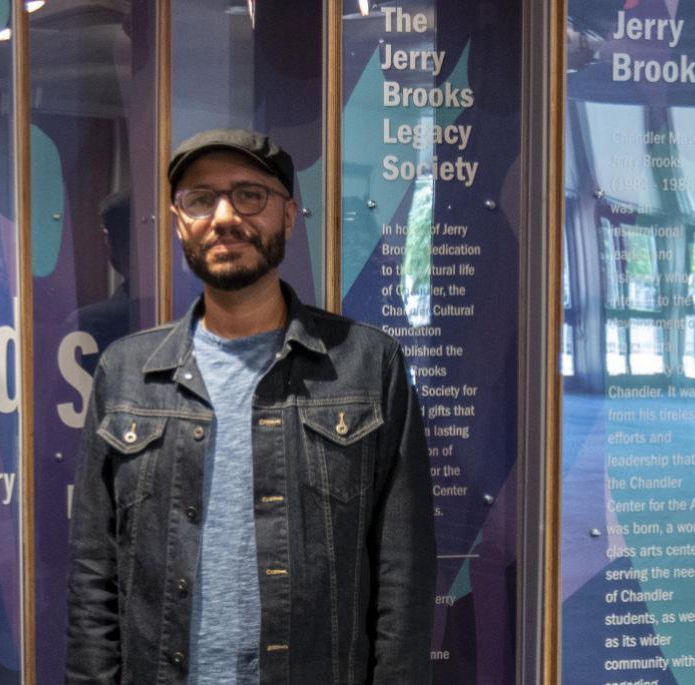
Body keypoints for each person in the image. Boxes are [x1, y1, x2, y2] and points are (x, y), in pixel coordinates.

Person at [66, 128, 435, 684]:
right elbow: (94, 573)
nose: (224, 217)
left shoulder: (366, 365)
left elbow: (402, 573)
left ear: (288, 216)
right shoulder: (126, 373)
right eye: (200, 198)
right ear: (178, 220)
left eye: (249, 195)